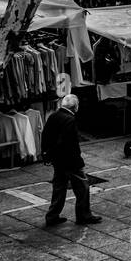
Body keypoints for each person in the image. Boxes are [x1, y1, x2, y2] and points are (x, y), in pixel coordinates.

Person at [42, 94, 100, 226]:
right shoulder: (70, 120)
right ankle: (84, 215)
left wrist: (46, 154)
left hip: (57, 160)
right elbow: (69, 143)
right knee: (82, 187)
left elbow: (45, 136)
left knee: (59, 188)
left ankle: (52, 216)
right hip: (70, 161)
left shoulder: (53, 116)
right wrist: (77, 160)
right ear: (75, 107)